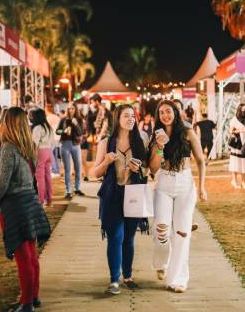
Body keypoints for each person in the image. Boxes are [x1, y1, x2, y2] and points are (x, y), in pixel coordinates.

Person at [0, 107, 51, 312]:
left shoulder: (8, 148)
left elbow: (2, 184)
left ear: (7, 124)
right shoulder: (29, 147)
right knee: (31, 256)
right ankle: (32, 297)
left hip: (15, 207)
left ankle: (26, 304)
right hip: (30, 203)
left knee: (24, 258)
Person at [148, 100, 207, 293]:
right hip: (164, 183)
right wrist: (159, 147)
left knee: (182, 233)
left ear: (175, 112)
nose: (165, 115)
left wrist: (202, 187)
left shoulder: (188, 132)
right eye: (161, 112)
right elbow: (153, 168)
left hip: (185, 183)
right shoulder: (157, 136)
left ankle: (178, 279)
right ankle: (161, 263)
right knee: (162, 231)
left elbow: (200, 160)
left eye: (168, 111)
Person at [90, 104, 149, 295]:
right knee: (115, 236)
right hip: (113, 195)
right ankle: (114, 280)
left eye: (133, 116)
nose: (131, 119)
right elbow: (93, 173)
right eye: (126, 116)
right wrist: (106, 162)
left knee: (129, 237)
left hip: (134, 194)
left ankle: (128, 276)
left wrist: (138, 169)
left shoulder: (141, 141)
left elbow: (149, 170)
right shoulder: (106, 143)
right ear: (118, 119)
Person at [57, 102, 85, 199]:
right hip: (65, 145)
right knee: (67, 169)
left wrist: (76, 124)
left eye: (72, 108)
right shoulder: (63, 119)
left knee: (78, 167)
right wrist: (63, 131)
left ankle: (77, 188)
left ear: (75, 109)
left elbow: (81, 132)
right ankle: (68, 190)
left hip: (76, 145)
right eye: (69, 108)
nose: (71, 110)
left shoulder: (79, 120)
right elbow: (57, 131)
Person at [31, 109, 55, 207]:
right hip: (49, 152)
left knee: (40, 177)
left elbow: (34, 143)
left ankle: (41, 200)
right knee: (47, 176)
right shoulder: (48, 127)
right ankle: (49, 200)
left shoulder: (37, 128)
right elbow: (53, 142)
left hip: (40, 151)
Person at [229, 103, 245, 189]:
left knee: (243, 163)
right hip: (237, 144)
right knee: (235, 162)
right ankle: (234, 180)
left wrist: (244, 130)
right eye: (243, 109)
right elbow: (231, 131)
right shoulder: (234, 119)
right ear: (239, 110)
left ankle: (243, 182)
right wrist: (241, 130)